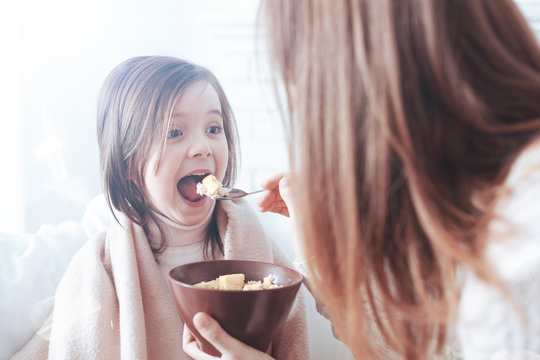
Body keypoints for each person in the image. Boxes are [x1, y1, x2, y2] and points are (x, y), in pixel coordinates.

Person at [183, 1, 540, 359]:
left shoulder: (520, 246)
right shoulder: (479, 200)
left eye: (304, 85)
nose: (301, 107)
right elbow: (429, 349)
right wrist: (325, 252)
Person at [11, 56, 308, 359]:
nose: (203, 146)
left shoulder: (259, 252)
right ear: (128, 164)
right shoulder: (98, 270)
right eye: (174, 133)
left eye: (214, 128)